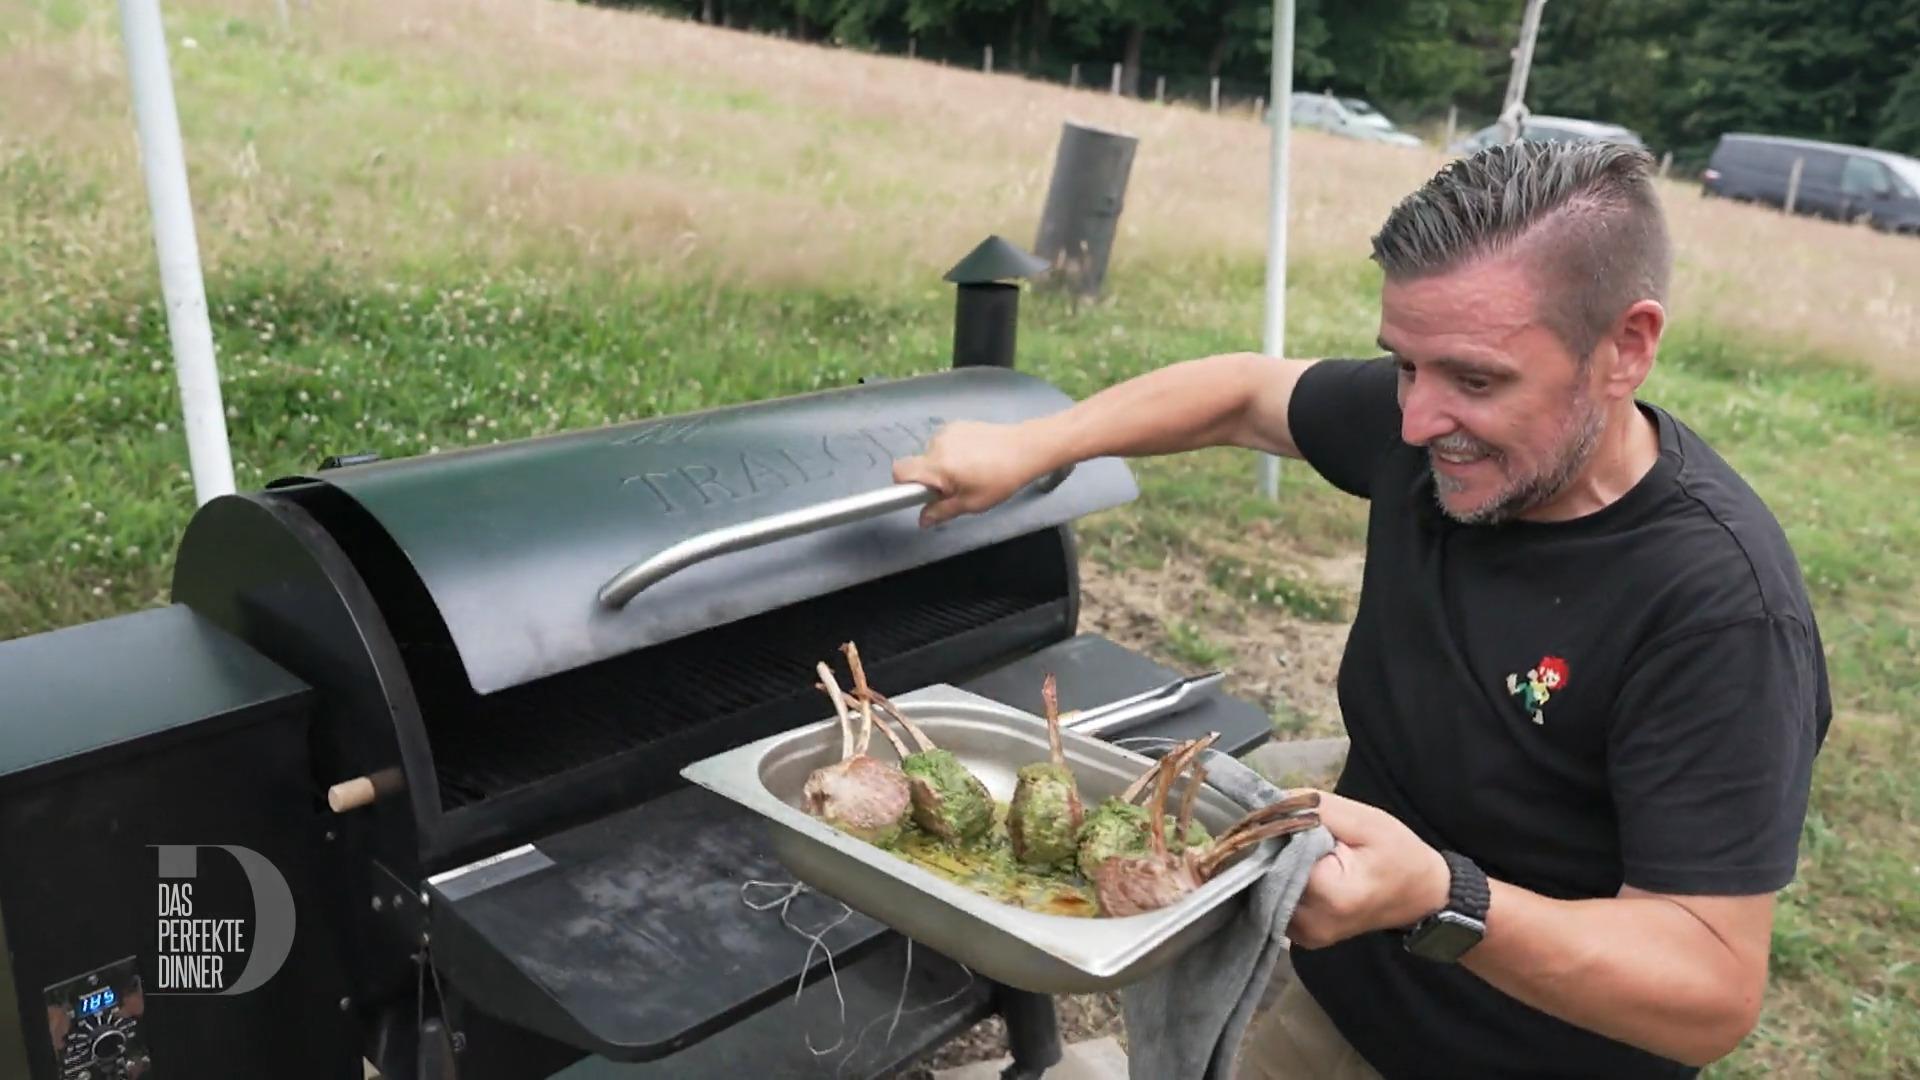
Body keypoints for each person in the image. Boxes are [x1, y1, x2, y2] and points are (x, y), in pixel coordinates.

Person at [892, 140, 1830, 1078]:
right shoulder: (1431, 423)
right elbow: (1248, 396)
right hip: (1340, 1004)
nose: (1417, 423)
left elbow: (1710, 988)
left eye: (1475, 380)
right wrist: (1032, 446)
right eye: (1404, 366)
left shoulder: (1718, 612)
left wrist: (1443, 898)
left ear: (1626, 347)